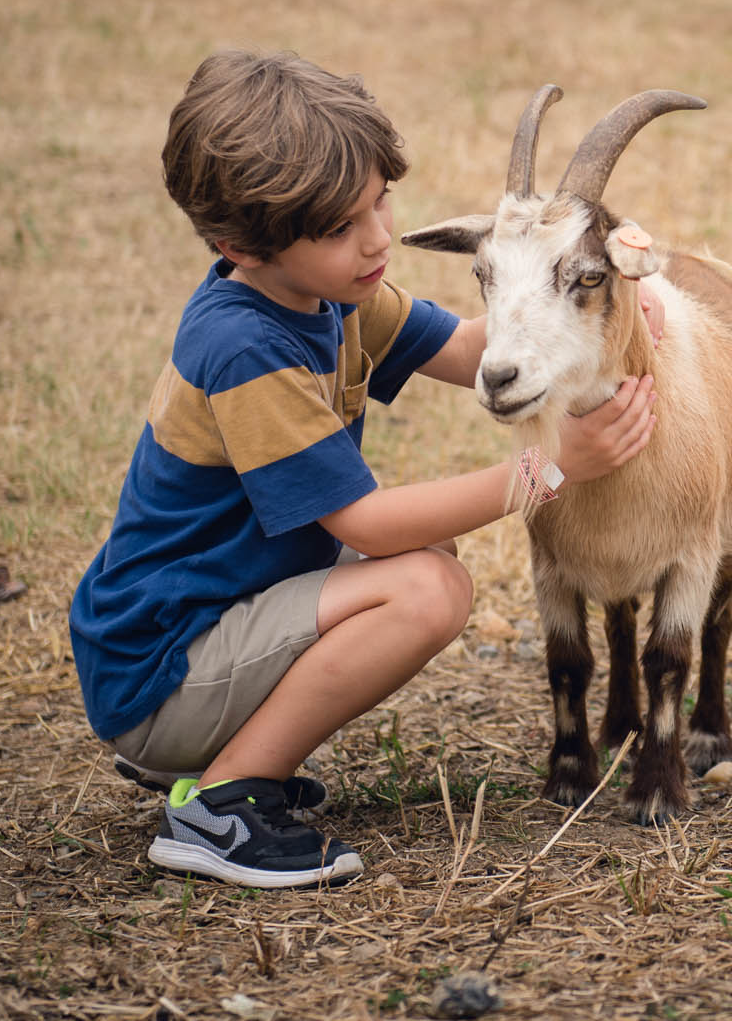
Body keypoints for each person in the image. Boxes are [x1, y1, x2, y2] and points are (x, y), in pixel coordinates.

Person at [69, 50, 658, 889]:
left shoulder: (330, 292)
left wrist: (605, 330)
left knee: (431, 562)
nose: (379, 237)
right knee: (426, 587)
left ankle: (227, 756)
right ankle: (221, 802)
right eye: (341, 228)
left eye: (380, 200)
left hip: (210, 620)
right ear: (243, 244)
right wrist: (547, 466)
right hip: (160, 670)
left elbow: (464, 347)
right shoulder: (244, 347)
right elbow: (367, 524)